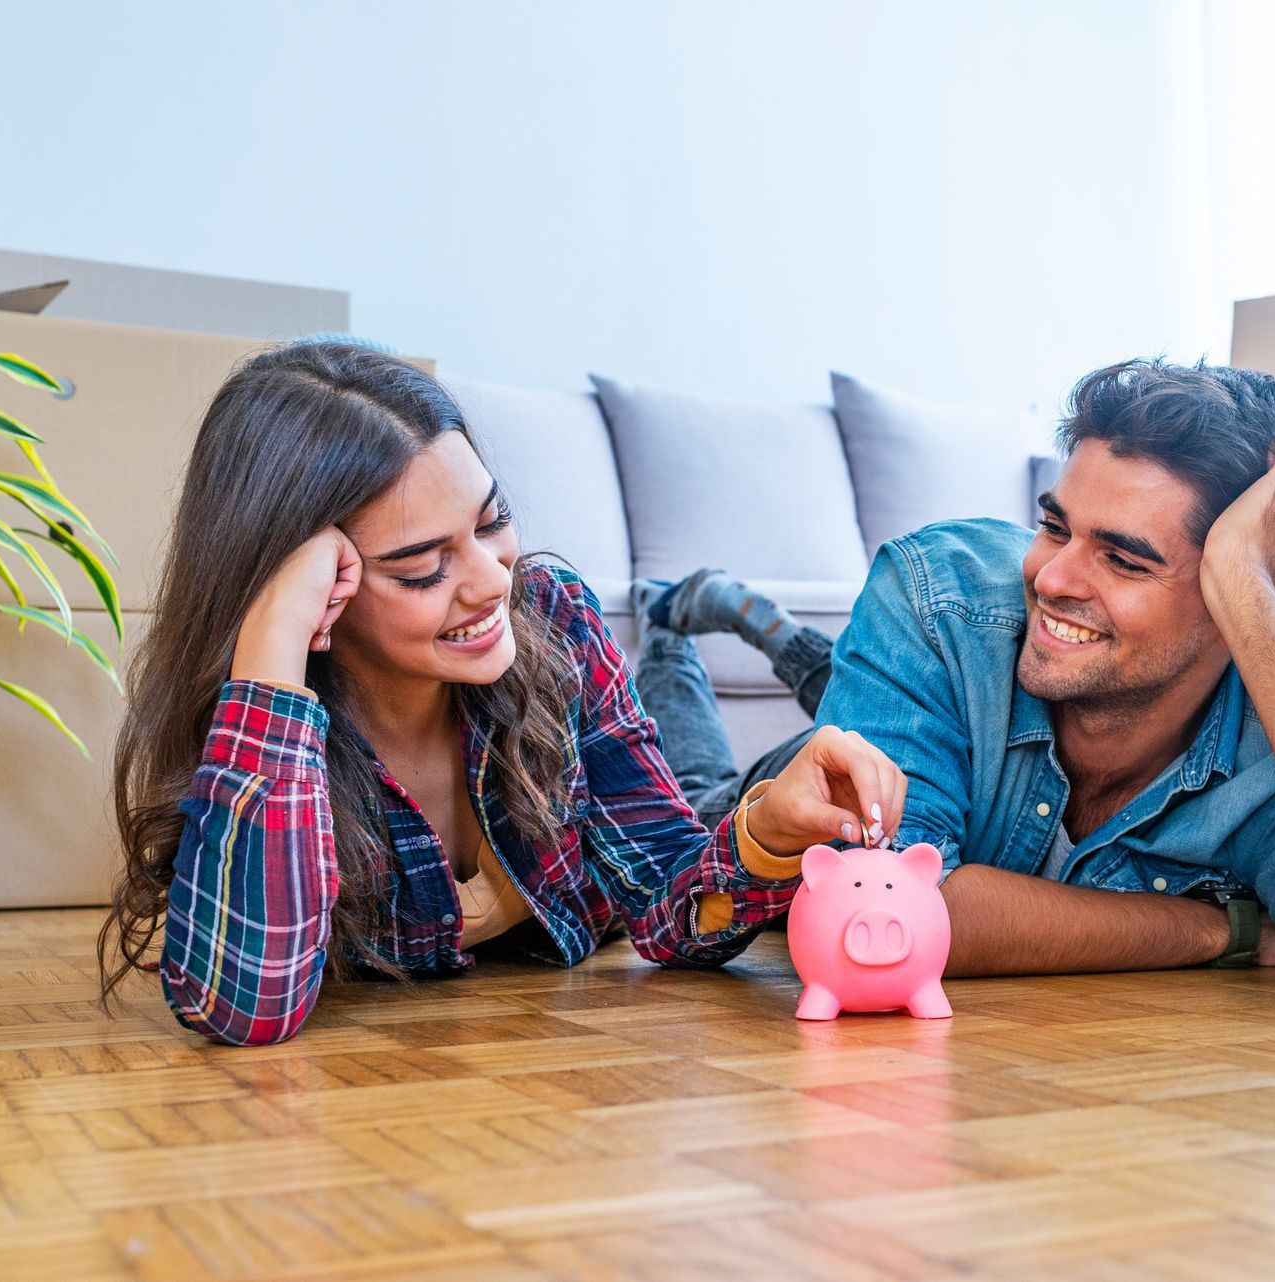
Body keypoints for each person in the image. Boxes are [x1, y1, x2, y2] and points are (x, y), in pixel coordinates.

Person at [98, 342, 907, 1045]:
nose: (493, 583)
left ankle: (676, 633)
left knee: (731, 775)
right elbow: (245, 1008)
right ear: (317, 587)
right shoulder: (258, 716)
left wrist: (764, 832)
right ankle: (675, 632)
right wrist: (273, 639)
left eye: (492, 522)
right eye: (422, 567)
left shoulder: (550, 614)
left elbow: (671, 915)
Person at [634, 359, 1275, 1005]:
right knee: (700, 794)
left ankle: (772, 633)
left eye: (1125, 558)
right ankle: (673, 635)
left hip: (944, 737)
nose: (1053, 576)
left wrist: (1248, 583)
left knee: (880, 702)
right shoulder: (942, 596)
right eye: (1055, 527)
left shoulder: (1271, 732)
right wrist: (1218, 928)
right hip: (814, 784)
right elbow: (891, 913)